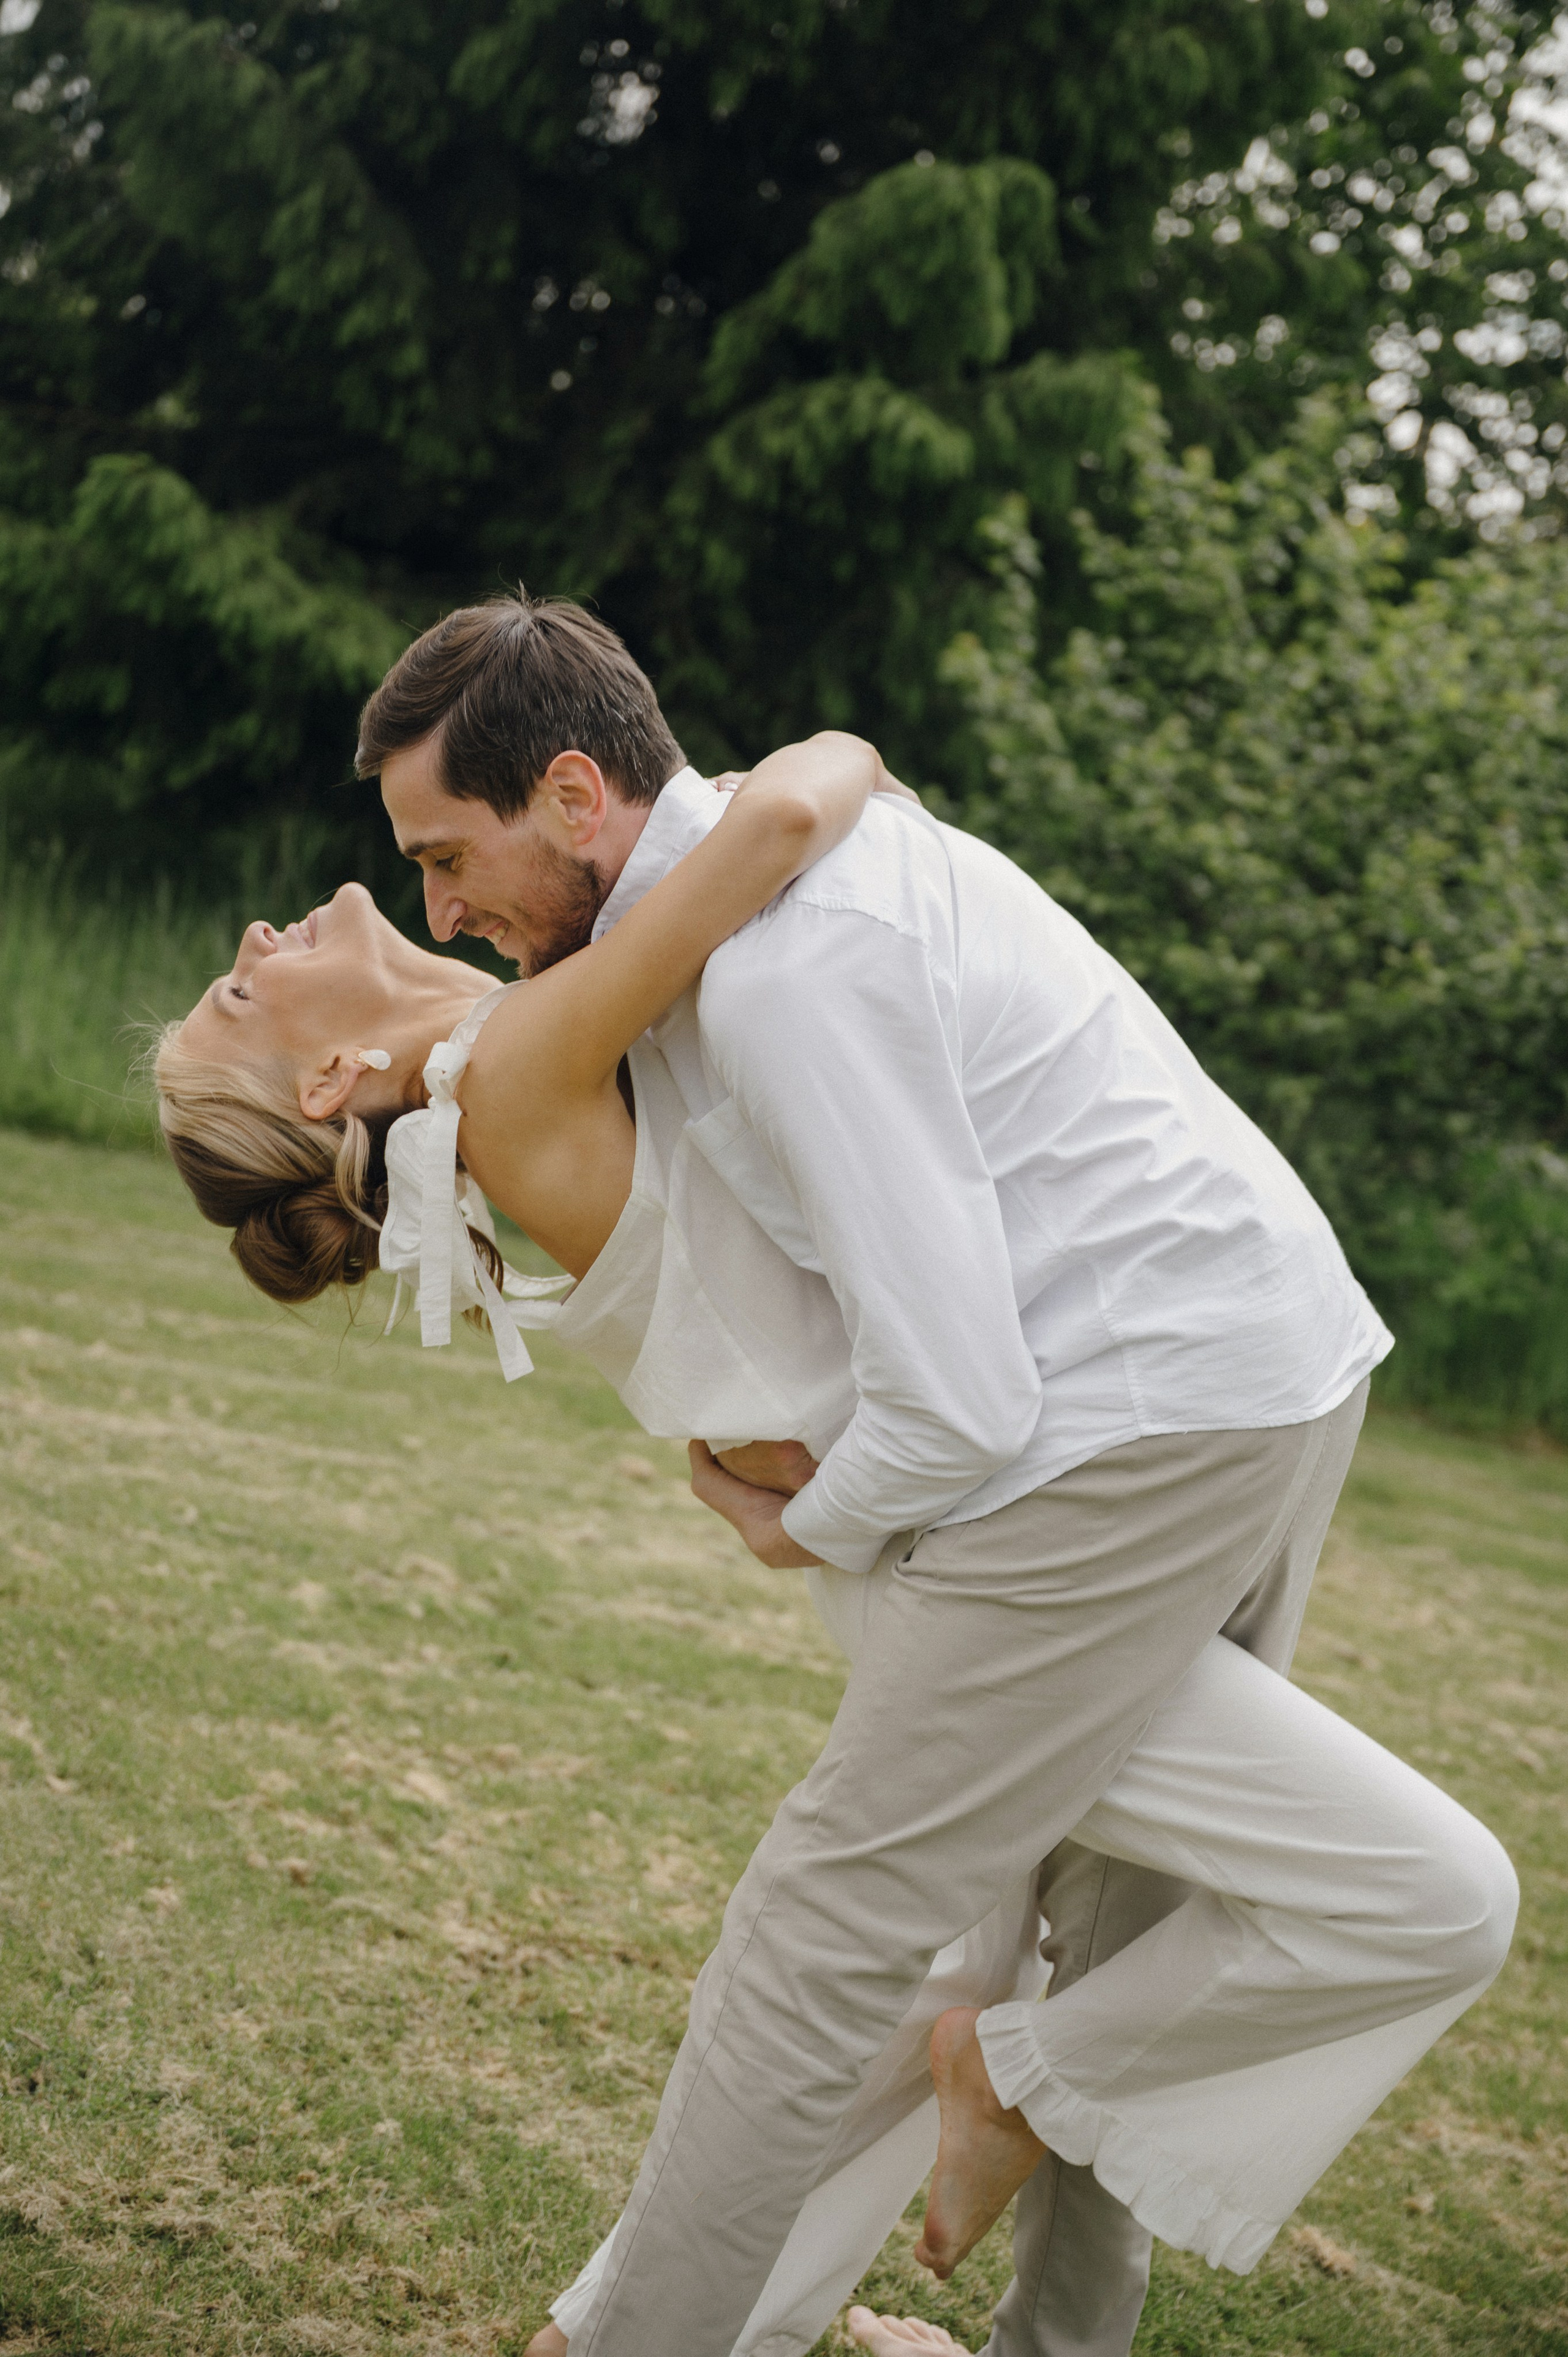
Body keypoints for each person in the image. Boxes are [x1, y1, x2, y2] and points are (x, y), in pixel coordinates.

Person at [155, 597, 1518, 2357]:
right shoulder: (547, 1049)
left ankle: (708, 2294)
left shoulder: (671, 989)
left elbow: (769, 868)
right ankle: (868, 2233)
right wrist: (820, 779)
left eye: (441, 855)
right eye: (246, 979)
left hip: (1057, 1451)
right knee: (960, 1943)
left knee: (916, 1946)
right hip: (1105, 1432)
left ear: (571, 791)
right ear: (342, 1073)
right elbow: (774, 830)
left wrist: (809, 1514)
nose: (407, 902)